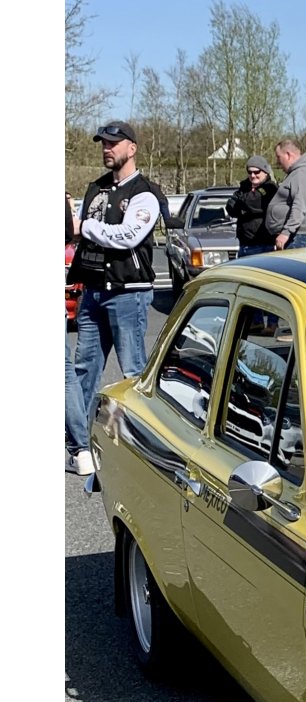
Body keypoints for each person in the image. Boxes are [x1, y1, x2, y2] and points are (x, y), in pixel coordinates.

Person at [66, 120, 168, 476]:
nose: (106, 148)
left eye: (113, 143)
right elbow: (78, 231)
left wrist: (87, 229)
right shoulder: (96, 188)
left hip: (128, 293)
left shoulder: (145, 193)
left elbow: (127, 235)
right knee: (83, 371)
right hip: (93, 292)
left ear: (131, 148)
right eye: (103, 143)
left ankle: (138, 445)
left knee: (133, 373)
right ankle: (79, 444)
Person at [265, 138, 306, 249]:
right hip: (294, 235)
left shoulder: (303, 173)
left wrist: (286, 232)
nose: (277, 162)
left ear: (288, 155)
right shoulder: (297, 173)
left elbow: (300, 206)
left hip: (297, 237)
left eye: (278, 157)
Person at [227, 155, 279, 256]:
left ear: (265, 172)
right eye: (250, 172)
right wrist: (244, 207)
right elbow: (230, 207)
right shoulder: (244, 186)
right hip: (244, 243)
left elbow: (252, 203)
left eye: (256, 172)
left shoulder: (270, 188)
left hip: (264, 244)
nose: (253, 175)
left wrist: (242, 205)